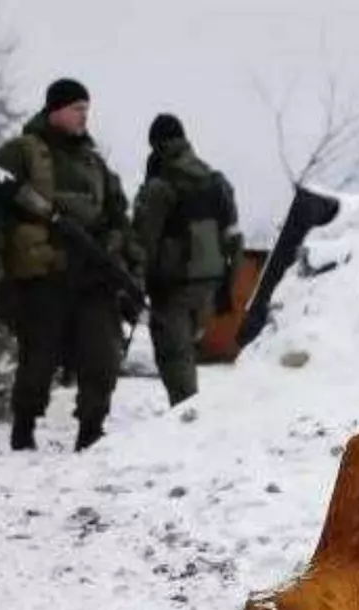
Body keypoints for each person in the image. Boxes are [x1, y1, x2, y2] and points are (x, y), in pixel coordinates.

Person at [0, 78, 142, 451]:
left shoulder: (94, 162)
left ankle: (91, 430)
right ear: (56, 110)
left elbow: (119, 215)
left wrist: (118, 248)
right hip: (42, 278)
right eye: (77, 108)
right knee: (38, 360)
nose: (85, 116)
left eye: (87, 109)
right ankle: (24, 428)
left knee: (101, 356)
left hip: (92, 279)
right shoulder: (22, 152)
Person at [132, 113, 243, 407]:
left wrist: (136, 285)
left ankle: (185, 423)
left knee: (174, 357)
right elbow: (233, 237)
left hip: (172, 286)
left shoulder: (160, 185)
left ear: (155, 144)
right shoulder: (215, 181)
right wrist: (227, 288)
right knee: (187, 353)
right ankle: (188, 418)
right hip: (209, 282)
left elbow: (144, 242)